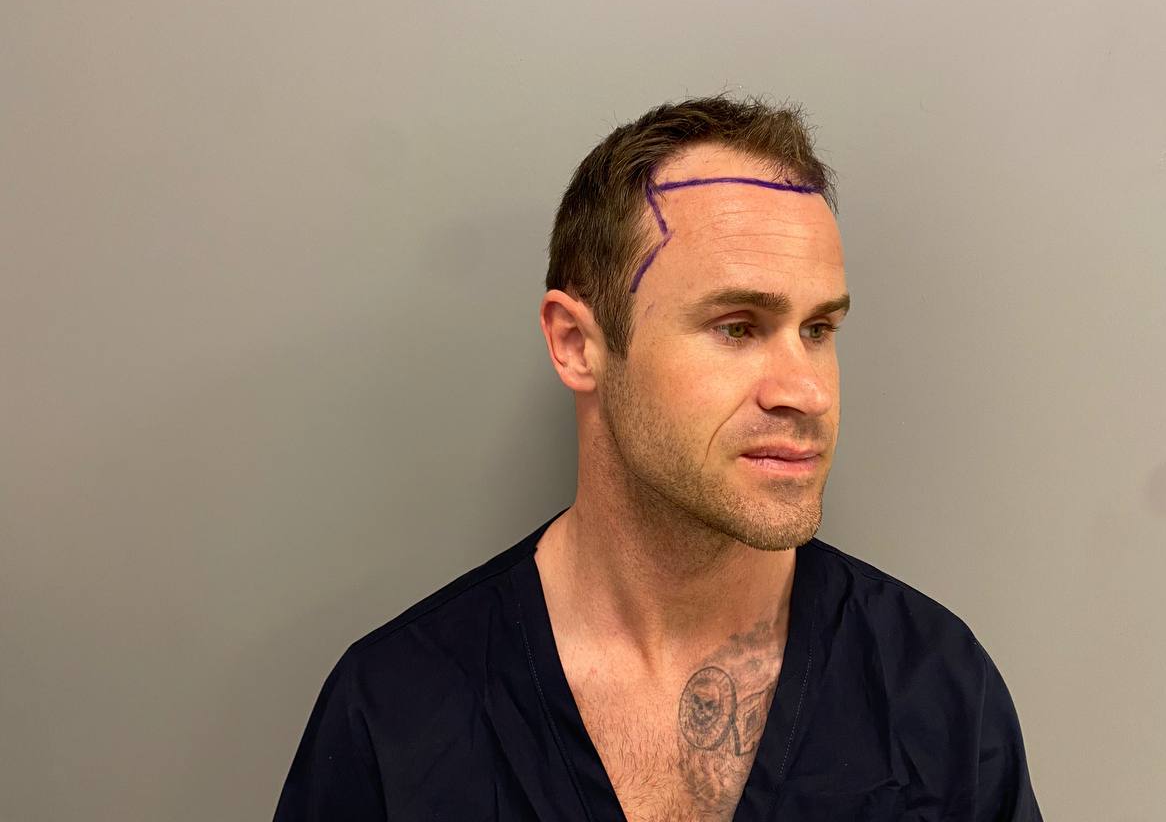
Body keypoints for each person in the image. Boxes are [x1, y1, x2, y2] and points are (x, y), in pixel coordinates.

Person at [273, 95, 1043, 821]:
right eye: (737, 327)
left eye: (818, 330)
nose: (807, 392)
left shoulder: (933, 693)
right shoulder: (398, 715)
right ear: (577, 345)